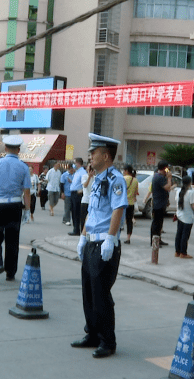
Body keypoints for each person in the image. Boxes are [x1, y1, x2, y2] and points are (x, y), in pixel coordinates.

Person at [72, 133, 127, 359]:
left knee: (101, 293)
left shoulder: (116, 179)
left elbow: (118, 209)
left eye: (93, 153)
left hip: (105, 243)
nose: (90, 157)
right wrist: (83, 237)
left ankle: (107, 340)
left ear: (106, 155)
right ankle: (92, 333)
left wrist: (110, 239)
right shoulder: (96, 178)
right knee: (88, 292)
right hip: (92, 243)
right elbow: (92, 212)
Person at [0, 136, 31, 281]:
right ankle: (10, 273)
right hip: (15, 206)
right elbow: (27, 191)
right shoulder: (23, 167)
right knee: (12, 239)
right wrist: (27, 210)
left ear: (5, 149)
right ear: (18, 150)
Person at [147, 160, 173, 247]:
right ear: (165, 168)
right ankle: (154, 241)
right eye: (167, 168)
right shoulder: (159, 177)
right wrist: (169, 178)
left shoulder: (160, 176)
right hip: (158, 204)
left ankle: (158, 239)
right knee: (156, 224)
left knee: (159, 223)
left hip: (161, 203)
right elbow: (168, 187)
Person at [174, 176, 194, 259]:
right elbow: (193, 206)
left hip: (179, 215)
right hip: (188, 217)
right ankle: (183, 252)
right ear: (190, 183)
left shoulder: (178, 191)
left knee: (179, 233)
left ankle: (177, 251)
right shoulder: (191, 193)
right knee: (185, 235)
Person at [69, 158, 87, 235]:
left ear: (78, 163)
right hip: (73, 193)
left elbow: (85, 182)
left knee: (77, 212)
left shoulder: (82, 172)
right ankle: (75, 229)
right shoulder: (77, 172)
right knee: (73, 211)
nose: (73, 165)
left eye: (74, 163)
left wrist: (81, 190)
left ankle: (77, 230)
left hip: (78, 194)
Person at [123, 165, 138, 244]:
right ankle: (128, 238)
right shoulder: (135, 180)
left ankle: (116, 236)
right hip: (131, 203)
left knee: (119, 220)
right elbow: (135, 193)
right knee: (129, 221)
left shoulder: (123, 179)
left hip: (123, 203)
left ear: (126, 171)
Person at [80, 165, 95, 231]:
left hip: (93, 201)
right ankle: (82, 232)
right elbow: (85, 185)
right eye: (89, 168)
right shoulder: (84, 176)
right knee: (83, 218)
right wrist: (89, 177)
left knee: (91, 218)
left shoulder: (95, 178)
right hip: (85, 200)